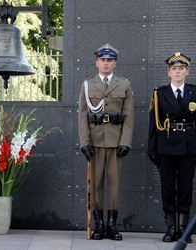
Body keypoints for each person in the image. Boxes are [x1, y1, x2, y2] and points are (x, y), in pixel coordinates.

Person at [78, 44, 134, 241]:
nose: (106, 63)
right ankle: (99, 224)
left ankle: (112, 224)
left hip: (116, 141)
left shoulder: (124, 85)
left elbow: (129, 116)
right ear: (97, 63)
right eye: (103, 60)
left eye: (110, 60)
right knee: (96, 185)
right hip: (95, 141)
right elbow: (83, 116)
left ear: (115, 63)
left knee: (115, 184)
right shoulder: (87, 85)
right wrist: (84, 142)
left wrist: (126, 141)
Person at [148, 52, 195, 243]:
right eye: (174, 69)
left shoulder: (194, 92)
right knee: (167, 187)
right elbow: (154, 122)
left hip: (189, 145)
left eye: (181, 69)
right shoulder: (160, 94)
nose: (177, 72)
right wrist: (152, 148)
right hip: (166, 145)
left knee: (185, 187)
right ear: (169, 73)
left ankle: (183, 228)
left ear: (187, 72)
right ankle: (171, 227)